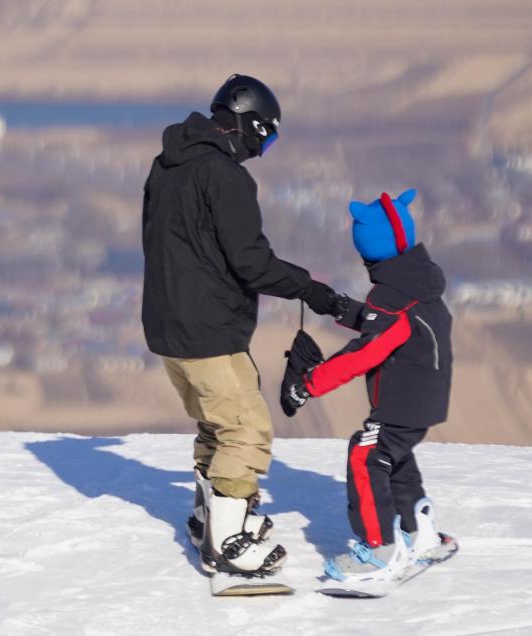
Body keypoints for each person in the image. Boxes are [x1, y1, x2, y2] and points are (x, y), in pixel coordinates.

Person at [141, 74, 344, 575]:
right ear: (249, 125)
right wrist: (314, 291)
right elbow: (252, 262)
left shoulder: (167, 165)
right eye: (267, 137)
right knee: (245, 431)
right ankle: (226, 542)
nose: (263, 149)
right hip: (205, 326)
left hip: (171, 324)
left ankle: (208, 517)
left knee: (217, 422)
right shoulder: (224, 176)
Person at [284, 189, 454, 580]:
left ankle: (379, 551)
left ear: (369, 253)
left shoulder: (391, 297)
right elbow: (396, 328)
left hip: (402, 402)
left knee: (365, 454)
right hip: (422, 399)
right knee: (393, 456)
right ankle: (420, 533)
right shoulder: (418, 285)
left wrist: (308, 384)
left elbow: (366, 352)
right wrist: (346, 310)